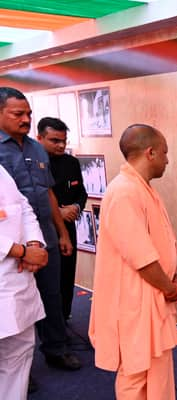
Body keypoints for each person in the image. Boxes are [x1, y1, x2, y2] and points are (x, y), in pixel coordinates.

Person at [89, 124, 177, 400]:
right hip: (135, 301)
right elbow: (141, 259)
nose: (168, 159)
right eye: (165, 153)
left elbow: (161, 242)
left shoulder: (141, 188)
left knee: (155, 369)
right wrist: (170, 289)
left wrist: (174, 276)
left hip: (152, 297)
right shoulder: (123, 192)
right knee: (135, 373)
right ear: (151, 152)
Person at [0, 87, 80, 372]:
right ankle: (16, 366)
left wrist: (61, 234)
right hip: (8, 244)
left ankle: (56, 349)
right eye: (18, 114)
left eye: (29, 114)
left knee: (52, 294)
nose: (26, 119)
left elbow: (47, 194)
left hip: (42, 234)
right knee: (13, 306)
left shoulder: (36, 147)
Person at [0, 164, 49, 399]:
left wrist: (34, 245)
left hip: (18, 282)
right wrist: (19, 251)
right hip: (9, 270)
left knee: (19, 356)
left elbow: (23, 208)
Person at [37, 117, 88, 321]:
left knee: (67, 278)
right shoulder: (34, 166)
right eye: (54, 140)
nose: (61, 145)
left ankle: (64, 317)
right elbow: (31, 200)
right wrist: (58, 211)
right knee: (48, 283)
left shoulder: (71, 163)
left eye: (63, 141)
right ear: (39, 138)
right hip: (44, 232)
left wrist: (76, 207)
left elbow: (81, 193)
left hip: (69, 230)